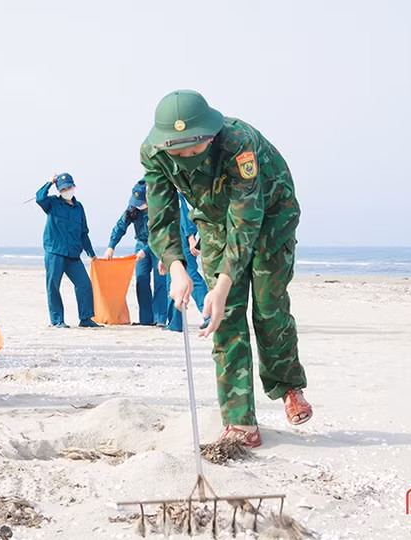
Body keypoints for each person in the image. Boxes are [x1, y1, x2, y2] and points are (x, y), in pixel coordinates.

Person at [141, 89, 311, 448]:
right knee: (225, 318)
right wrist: (175, 266)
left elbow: (246, 220)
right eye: (179, 150)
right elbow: (161, 215)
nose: (187, 156)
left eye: (195, 147)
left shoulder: (238, 143)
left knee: (268, 308)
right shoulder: (154, 153)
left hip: (270, 217)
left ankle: (287, 387)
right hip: (215, 223)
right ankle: (240, 422)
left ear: (209, 134)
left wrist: (221, 285)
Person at [36, 173, 102, 329]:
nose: (67, 190)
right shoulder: (52, 203)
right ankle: (57, 320)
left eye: (69, 187)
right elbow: (39, 198)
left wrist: (91, 253)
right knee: (53, 286)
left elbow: (84, 233)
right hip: (55, 252)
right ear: (59, 190)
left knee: (84, 284)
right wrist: (50, 182)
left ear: (74, 187)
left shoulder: (79, 208)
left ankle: (85, 318)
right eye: (63, 188)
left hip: (73, 254)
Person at [101, 180, 167, 326]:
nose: (137, 204)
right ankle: (146, 320)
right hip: (141, 244)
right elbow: (120, 227)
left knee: (160, 281)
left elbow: (159, 235)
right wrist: (111, 246)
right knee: (141, 280)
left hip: (158, 246)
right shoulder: (133, 208)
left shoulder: (159, 209)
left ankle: (160, 318)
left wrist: (146, 250)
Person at [164, 194, 210, 332]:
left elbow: (185, 216)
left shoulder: (175, 196)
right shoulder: (158, 197)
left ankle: (209, 313)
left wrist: (190, 239)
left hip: (182, 242)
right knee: (172, 283)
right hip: (170, 245)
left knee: (192, 277)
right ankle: (174, 322)